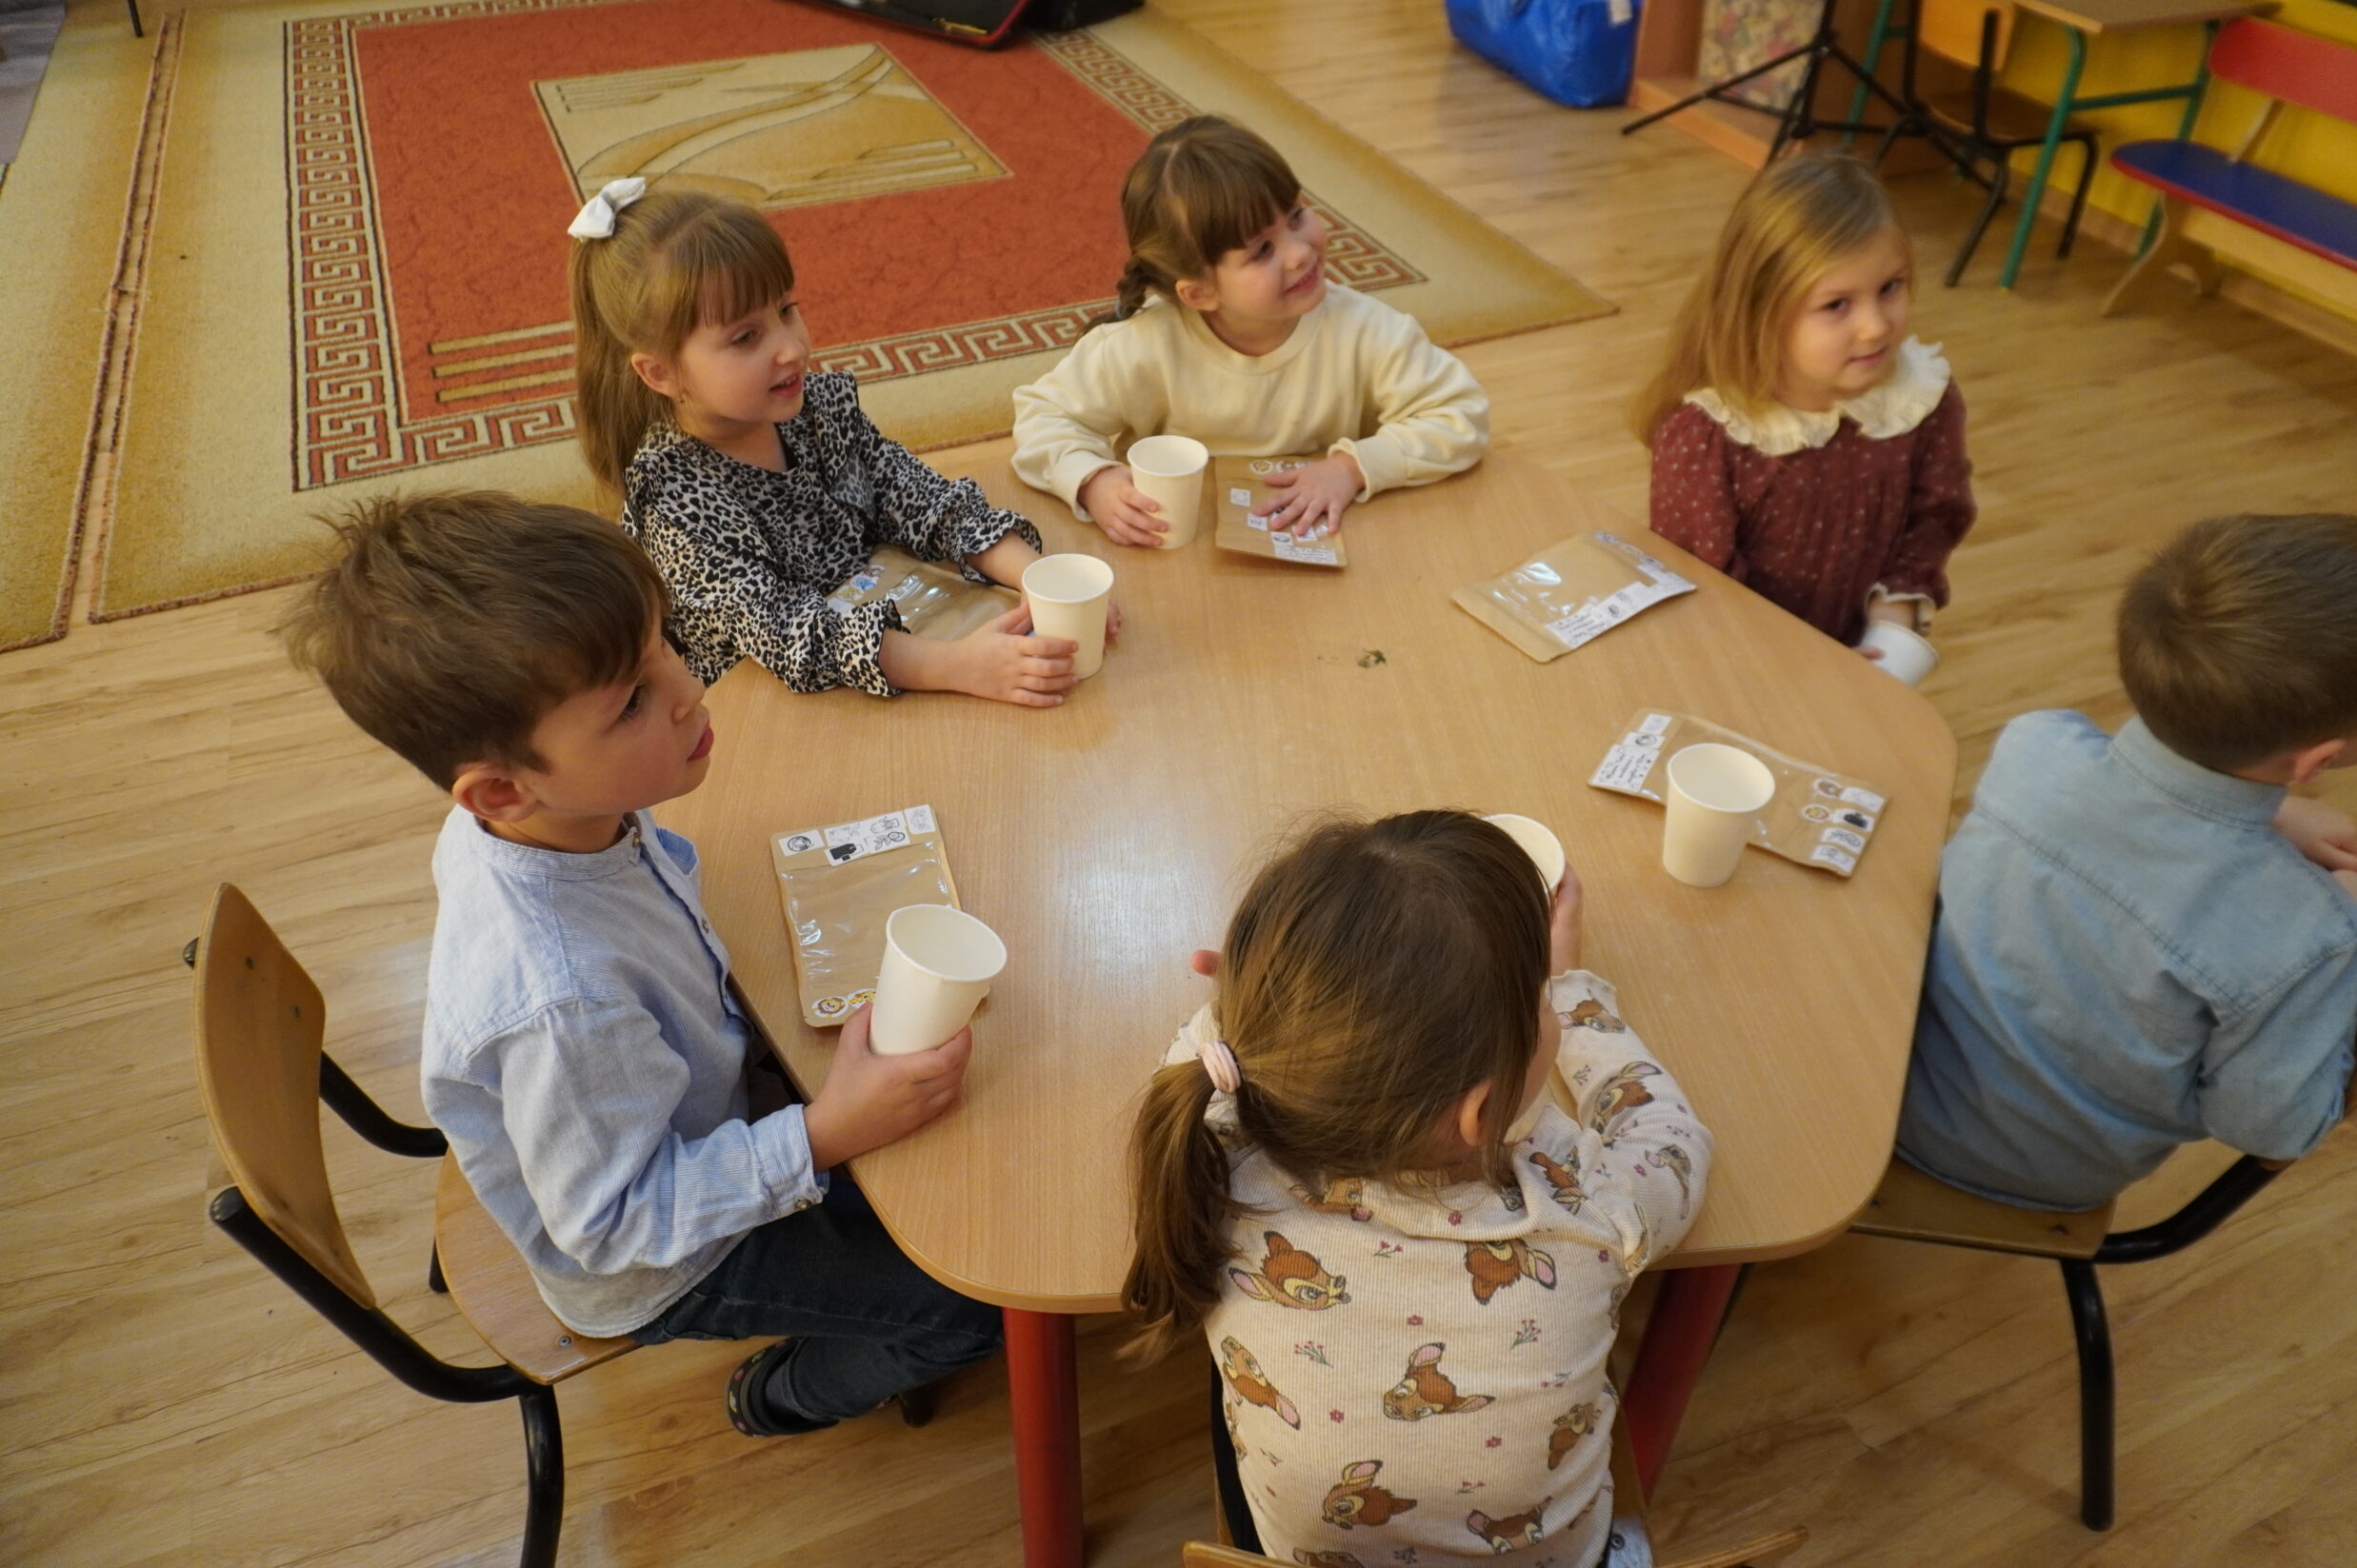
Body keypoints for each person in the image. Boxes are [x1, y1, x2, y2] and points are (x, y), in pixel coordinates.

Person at [280, 490, 1003, 1436]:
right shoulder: (562, 1000)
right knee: (971, 1304)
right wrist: (822, 1134)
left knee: (945, 1174)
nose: (688, 688)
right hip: (666, 1263)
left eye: (662, 642)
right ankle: (780, 1397)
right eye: (629, 702)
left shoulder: (559, 814)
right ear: (500, 791)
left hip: (701, 1110)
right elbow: (614, 1225)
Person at [1121, 811, 1710, 1566]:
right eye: (1537, 999)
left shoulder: (1219, 1145)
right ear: (1480, 1113)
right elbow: (1671, 1139)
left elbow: (1198, 1051)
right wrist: (1574, 986)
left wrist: (1266, 1013)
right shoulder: (1584, 1201)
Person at [1900, 513, 2357, 1212]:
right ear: (2318, 759)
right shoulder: (2312, 940)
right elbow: (2269, 1128)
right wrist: (2356, 935)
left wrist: (2269, 810)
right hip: (2026, 1172)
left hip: (1885, 1065)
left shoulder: (2036, 747)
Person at [569, 180, 1113, 706]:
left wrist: (1040, 580)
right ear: (661, 373)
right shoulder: (675, 500)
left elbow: (917, 496)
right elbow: (789, 634)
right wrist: (959, 666)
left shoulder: (815, 410)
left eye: (787, 310)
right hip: (770, 706)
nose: (791, 348)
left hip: (886, 630)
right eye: (746, 337)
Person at [1010, 115, 1488, 546]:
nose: (1300, 252)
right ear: (1200, 293)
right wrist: (1093, 481)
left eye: (1296, 216)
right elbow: (1043, 417)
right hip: (1178, 545)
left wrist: (1350, 469)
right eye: (1262, 250)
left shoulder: (1368, 330)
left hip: (1323, 537)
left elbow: (1460, 414)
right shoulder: (1140, 345)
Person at [1631, 153, 1975, 653]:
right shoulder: (1708, 441)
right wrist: (1800, 668)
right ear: (1760, 313)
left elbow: (1935, 518)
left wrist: (1895, 609)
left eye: (1890, 288)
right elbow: (1700, 592)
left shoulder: (1921, 400)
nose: (1876, 326)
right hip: (1739, 657)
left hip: (1853, 655)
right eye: (1837, 305)